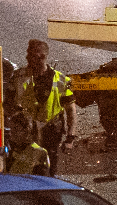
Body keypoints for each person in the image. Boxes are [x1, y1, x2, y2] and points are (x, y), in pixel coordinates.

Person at [13, 39, 75, 177]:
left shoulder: (60, 80)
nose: (27, 58)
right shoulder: (19, 77)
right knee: (26, 170)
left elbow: (71, 110)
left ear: (42, 57)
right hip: (26, 133)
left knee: (49, 168)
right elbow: (7, 103)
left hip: (51, 131)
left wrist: (70, 137)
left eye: (31, 55)